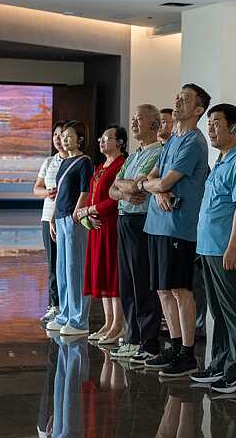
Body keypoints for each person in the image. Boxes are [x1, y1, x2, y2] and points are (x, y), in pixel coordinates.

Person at [138, 83, 210, 378]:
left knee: (180, 290)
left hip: (179, 226)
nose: (178, 101)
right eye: (178, 96)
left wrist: (153, 187)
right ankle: (175, 344)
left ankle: (188, 353)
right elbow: (151, 177)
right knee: (162, 289)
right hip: (157, 223)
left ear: (198, 110)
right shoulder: (171, 141)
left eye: (185, 99)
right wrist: (155, 189)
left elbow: (164, 181)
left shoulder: (194, 142)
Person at [189, 103, 236, 394]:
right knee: (217, 311)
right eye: (209, 124)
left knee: (235, 312)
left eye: (216, 123)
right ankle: (218, 364)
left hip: (226, 250)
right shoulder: (222, 160)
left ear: (233, 128)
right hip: (209, 247)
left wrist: (232, 247)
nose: (211, 129)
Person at [108, 104, 163, 362]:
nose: (133, 123)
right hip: (124, 219)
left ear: (154, 124)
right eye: (133, 118)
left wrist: (126, 188)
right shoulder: (132, 157)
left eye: (139, 118)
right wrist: (125, 190)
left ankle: (147, 341)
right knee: (127, 282)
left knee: (142, 282)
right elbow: (114, 189)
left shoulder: (158, 153)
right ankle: (131, 337)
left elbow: (138, 188)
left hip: (143, 221)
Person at [79, 126, 127, 344]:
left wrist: (90, 210)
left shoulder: (121, 164)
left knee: (112, 272)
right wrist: (88, 215)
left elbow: (116, 199)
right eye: (101, 137)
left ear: (120, 143)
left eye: (107, 138)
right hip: (97, 225)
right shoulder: (100, 166)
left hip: (111, 225)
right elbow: (92, 196)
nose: (102, 141)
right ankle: (108, 323)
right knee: (102, 273)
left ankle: (118, 324)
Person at [45, 121, 94, 336]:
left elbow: (85, 190)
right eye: (63, 136)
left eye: (69, 136)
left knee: (76, 269)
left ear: (80, 139)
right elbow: (59, 192)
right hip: (61, 217)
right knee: (62, 269)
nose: (64, 140)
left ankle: (79, 320)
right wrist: (53, 218)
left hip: (74, 219)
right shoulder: (65, 162)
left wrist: (76, 212)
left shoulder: (84, 161)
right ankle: (64, 315)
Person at [34, 122, 68, 324]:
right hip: (48, 218)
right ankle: (54, 306)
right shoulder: (49, 162)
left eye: (61, 134)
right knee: (53, 264)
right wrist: (47, 193)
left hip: (67, 217)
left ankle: (68, 306)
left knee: (68, 263)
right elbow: (36, 188)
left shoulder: (75, 161)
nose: (57, 138)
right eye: (55, 134)